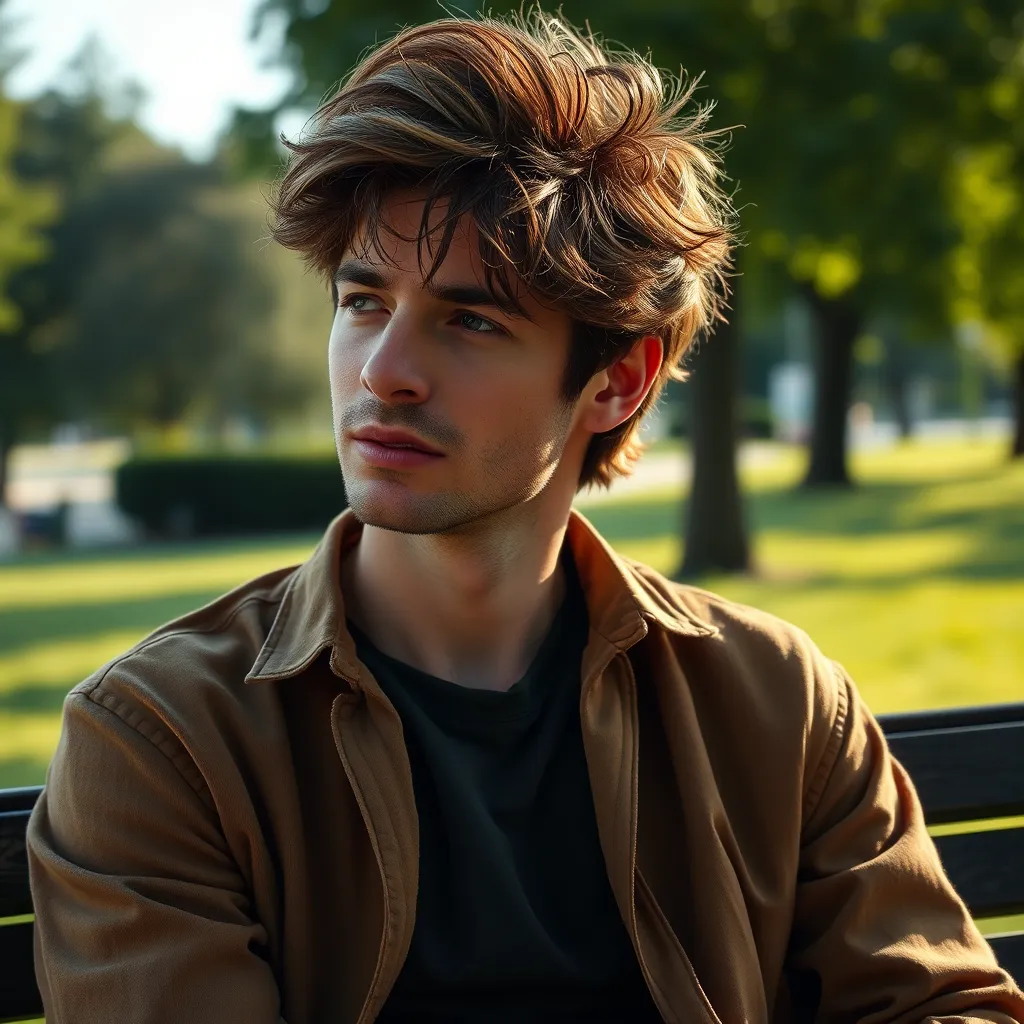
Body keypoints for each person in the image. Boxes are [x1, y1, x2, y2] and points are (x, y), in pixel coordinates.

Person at [26, 11, 1024, 1024]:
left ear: (616, 382)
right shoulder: (164, 739)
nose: (385, 374)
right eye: (363, 301)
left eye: (469, 320)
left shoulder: (774, 700)